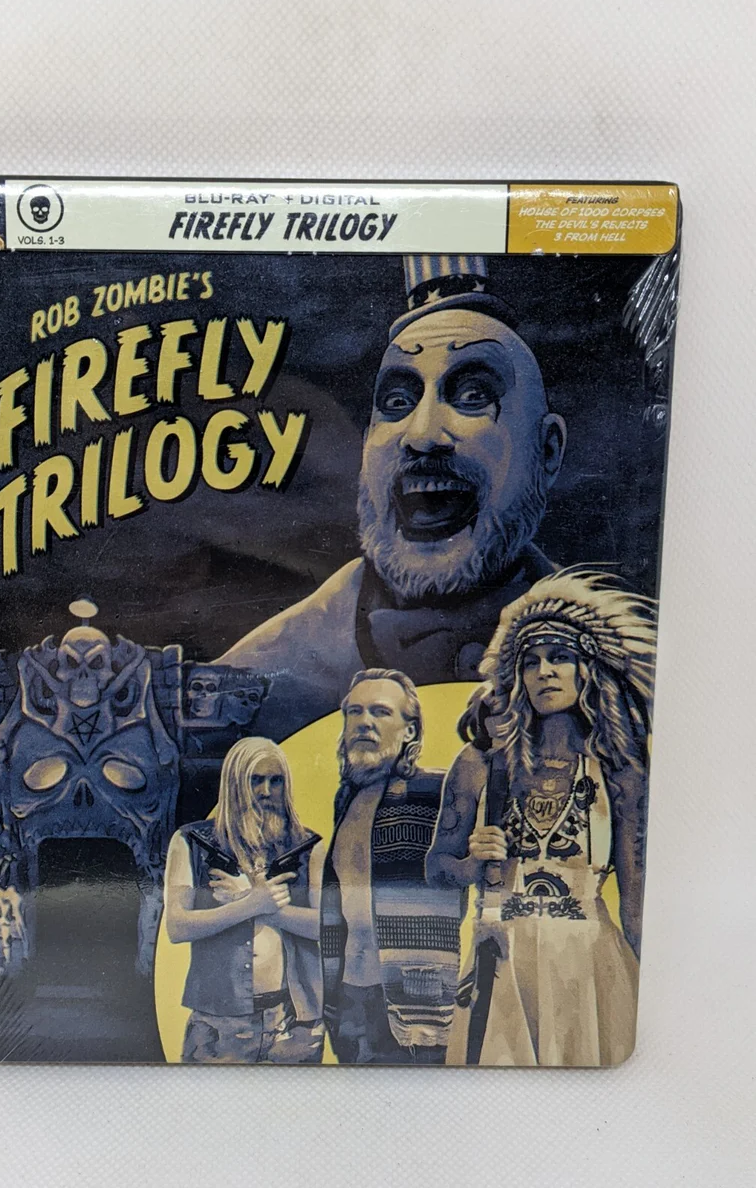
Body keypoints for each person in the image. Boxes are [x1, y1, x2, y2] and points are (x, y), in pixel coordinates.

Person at [220, 257, 567, 737]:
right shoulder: (264, 669)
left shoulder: (633, 661)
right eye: (398, 402)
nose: (422, 435)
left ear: (547, 451)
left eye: (471, 396)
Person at [426, 569, 656, 1066]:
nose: (544, 672)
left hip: (589, 967)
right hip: (500, 962)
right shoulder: (482, 762)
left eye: (559, 657)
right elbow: (437, 866)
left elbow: (636, 901)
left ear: (588, 668)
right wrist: (471, 865)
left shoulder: (621, 771)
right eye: (531, 662)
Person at [322, 668, 462, 1064]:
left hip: (420, 1000)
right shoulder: (345, 798)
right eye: (354, 711)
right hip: (349, 995)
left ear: (410, 730)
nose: (364, 721)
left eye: (381, 712)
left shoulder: (440, 788)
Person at [164, 737, 325, 1063]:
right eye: (255, 780)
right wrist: (249, 905)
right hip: (219, 1025)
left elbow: (327, 926)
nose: (266, 791)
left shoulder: (308, 846)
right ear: (234, 783)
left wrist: (253, 901)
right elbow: (177, 926)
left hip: (293, 1023)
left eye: (276, 781)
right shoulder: (190, 842)